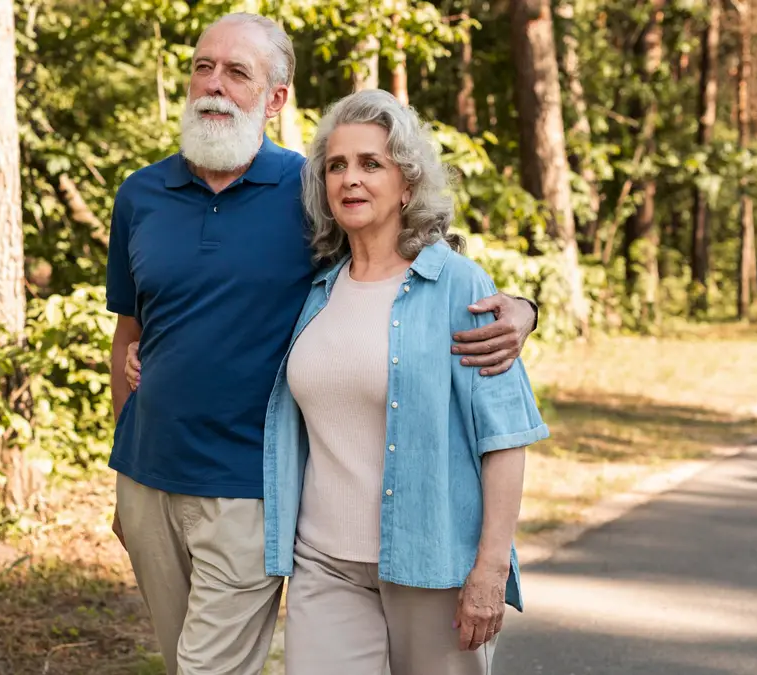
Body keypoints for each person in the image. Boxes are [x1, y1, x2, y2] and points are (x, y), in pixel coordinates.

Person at [106, 13, 539, 675]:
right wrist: (125, 451)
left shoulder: (326, 206)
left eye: (237, 71)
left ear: (275, 98)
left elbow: (423, 273)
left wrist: (523, 309)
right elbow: (133, 334)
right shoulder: (151, 201)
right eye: (203, 65)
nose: (213, 84)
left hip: (293, 504)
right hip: (234, 520)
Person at [260, 88, 549, 674]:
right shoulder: (314, 291)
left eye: (372, 164)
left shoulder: (458, 286)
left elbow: (505, 438)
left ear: (408, 184)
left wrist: (490, 569)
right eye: (336, 166)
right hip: (323, 563)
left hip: (432, 563)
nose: (351, 179)